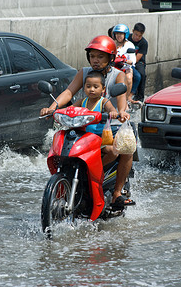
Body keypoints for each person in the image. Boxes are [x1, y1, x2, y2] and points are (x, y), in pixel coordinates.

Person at [40, 35, 133, 208]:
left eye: (100, 56)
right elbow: (69, 93)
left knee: (125, 150)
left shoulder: (118, 76)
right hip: (84, 126)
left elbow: (121, 101)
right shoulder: (84, 72)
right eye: (92, 56)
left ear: (110, 58)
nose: (95, 60)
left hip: (108, 127)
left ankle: (117, 192)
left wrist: (120, 112)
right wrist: (52, 108)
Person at [73, 70, 118, 167]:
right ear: (84, 88)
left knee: (113, 151)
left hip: (99, 139)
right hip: (83, 138)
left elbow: (111, 108)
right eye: (88, 86)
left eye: (95, 87)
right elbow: (70, 110)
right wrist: (55, 111)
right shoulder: (82, 102)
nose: (91, 89)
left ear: (103, 89)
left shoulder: (103, 101)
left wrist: (113, 112)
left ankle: (99, 166)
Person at [112, 24, 141, 105]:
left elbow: (133, 61)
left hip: (125, 68)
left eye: (121, 34)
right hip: (113, 67)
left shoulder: (129, 45)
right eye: (117, 34)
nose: (119, 36)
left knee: (128, 77)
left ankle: (126, 99)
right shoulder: (112, 44)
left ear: (125, 35)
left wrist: (124, 60)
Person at [128, 22, 148, 102]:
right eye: (136, 34)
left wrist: (131, 63)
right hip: (126, 60)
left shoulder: (143, 43)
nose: (137, 37)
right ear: (133, 31)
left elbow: (137, 58)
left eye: (140, 36)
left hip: (138, 61)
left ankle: (140, 97)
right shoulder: (127, 38)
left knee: (142, 74)